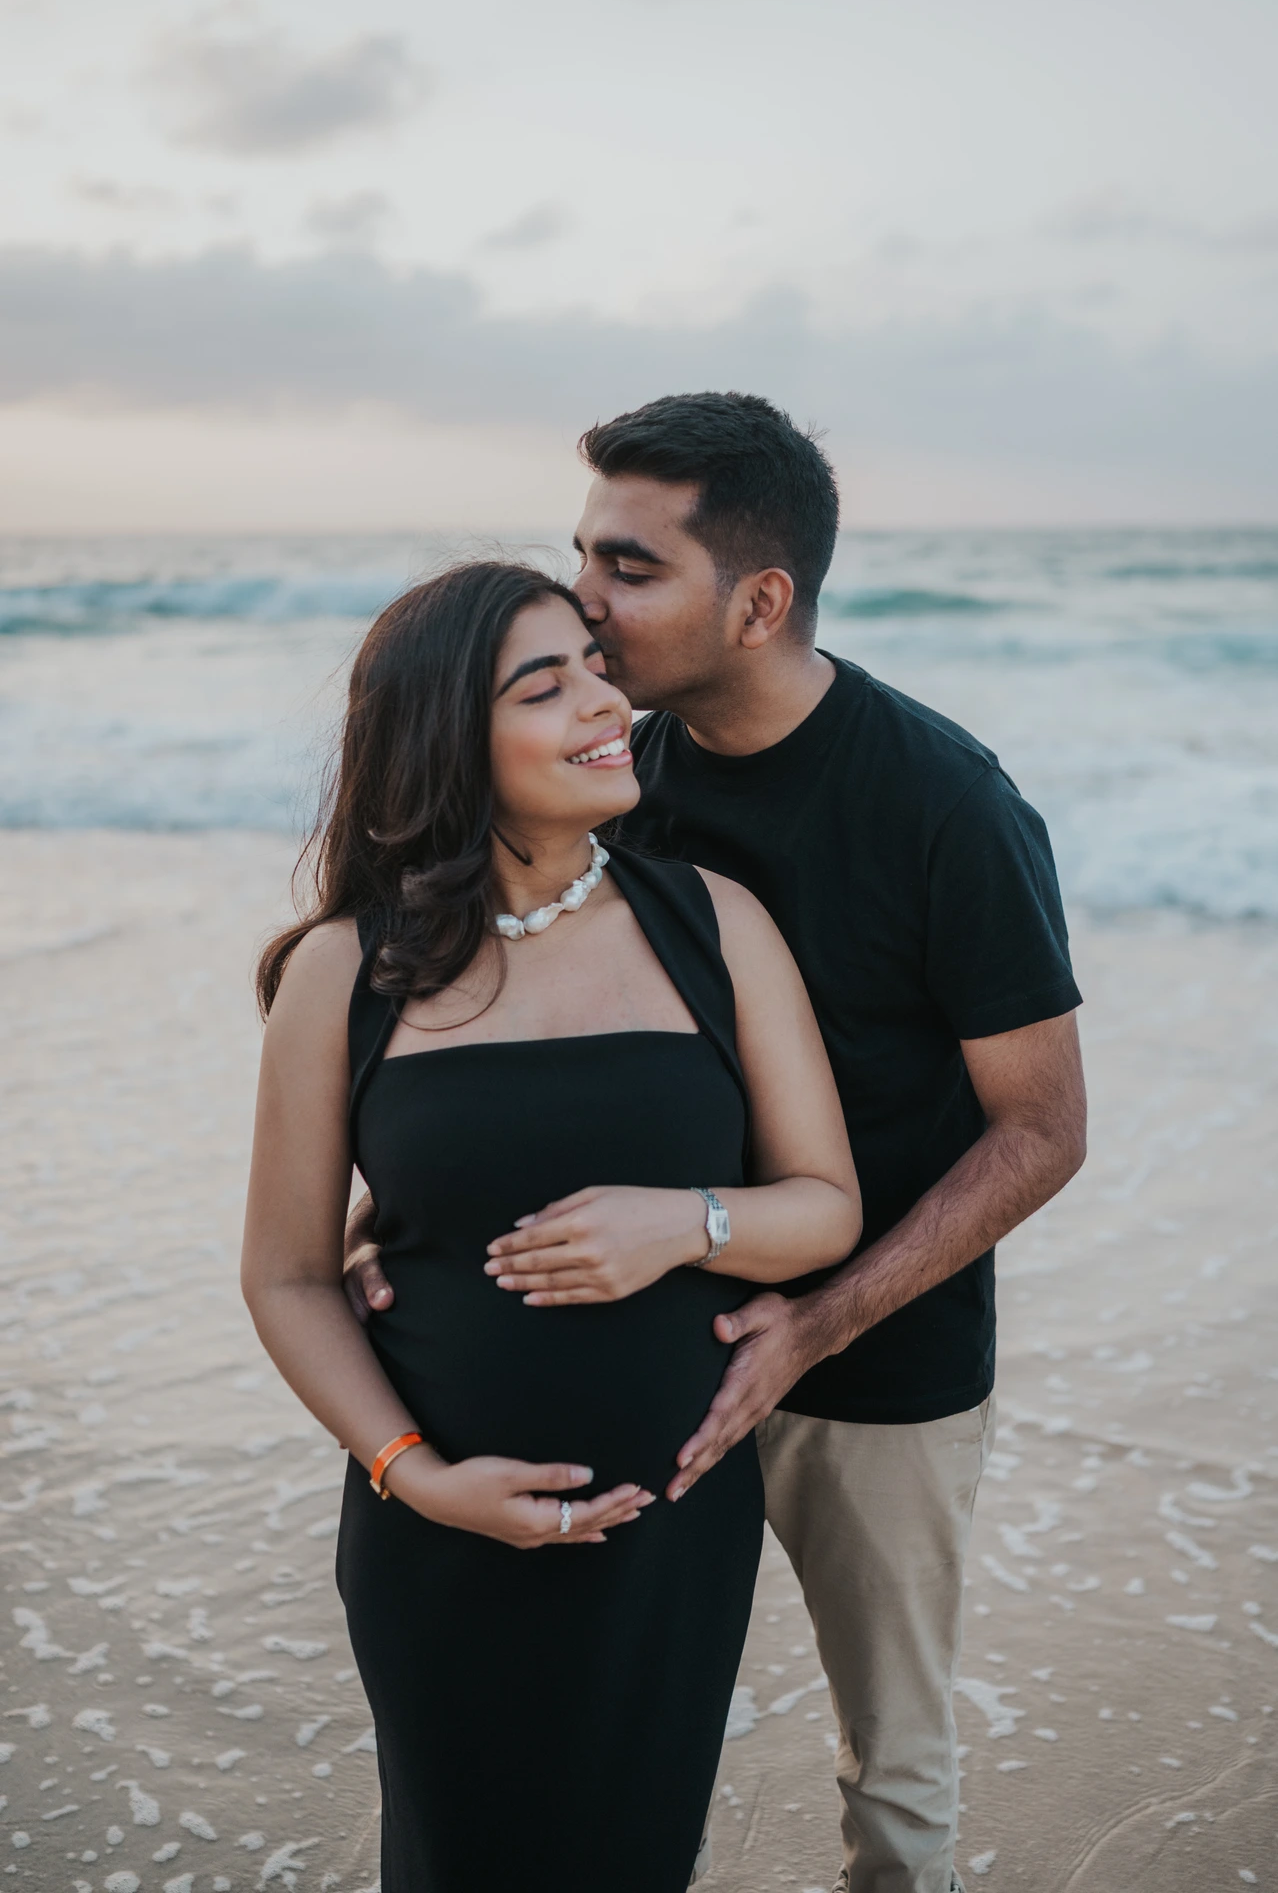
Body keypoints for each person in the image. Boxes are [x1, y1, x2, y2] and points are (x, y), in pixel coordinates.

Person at [345, 397, 1088, 1893]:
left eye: (627, 569)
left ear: (757, 602)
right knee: (577, 1755)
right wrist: (405, 1209)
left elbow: (1042, 1130)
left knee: (895, 1767)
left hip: (880, 1359)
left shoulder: (942, 803)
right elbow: (517, 1008)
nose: (586, 610)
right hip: (646, 1350)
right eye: (581, 558)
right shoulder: (618, 766)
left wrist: (816, 1321)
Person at [241, 559, 861, 1893]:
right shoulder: (343, 971)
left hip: (666, 1543)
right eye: (548, 683)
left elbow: (823, 1208)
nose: (605, 701)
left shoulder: (710, 923)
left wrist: (683, 1223)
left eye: (594, 664)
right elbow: (289, 1276)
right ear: (447, 737)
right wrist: (417, 1475)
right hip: (438, 1539)